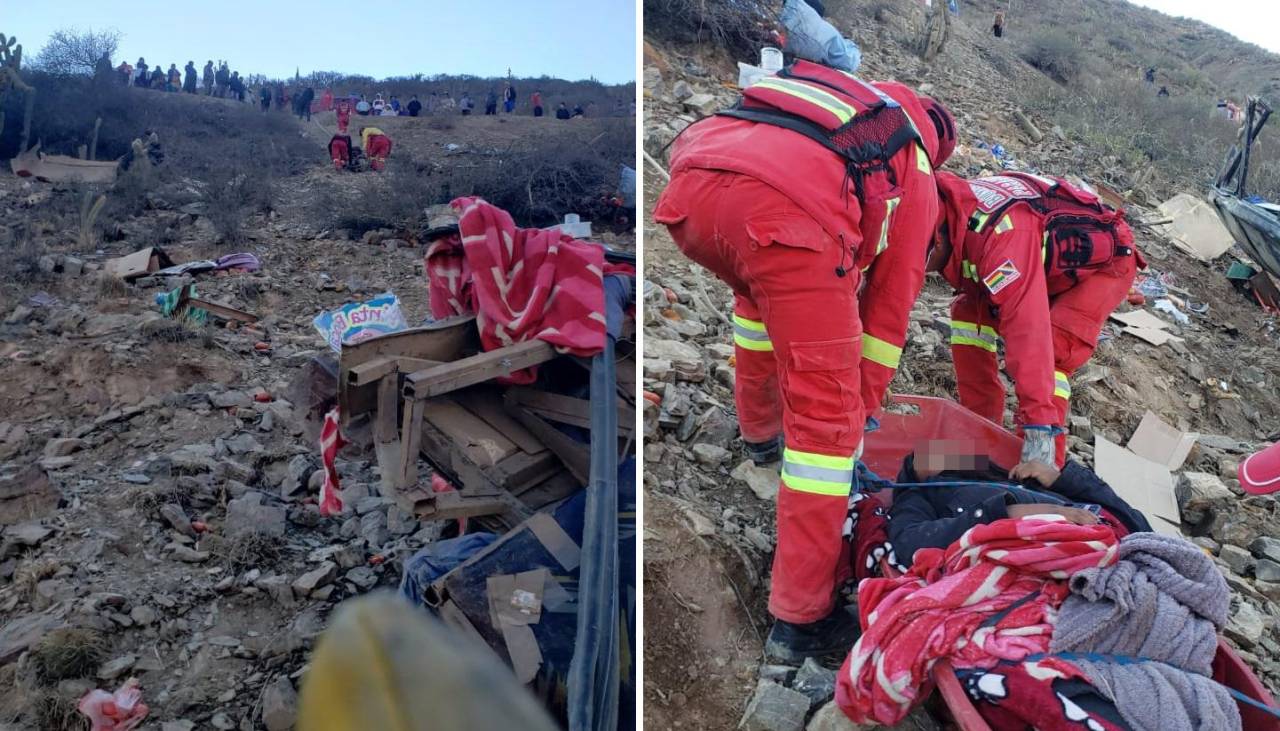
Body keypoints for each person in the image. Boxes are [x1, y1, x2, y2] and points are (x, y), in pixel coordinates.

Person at [653, 22, 957, 661]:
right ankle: (800, 618)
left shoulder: (838, 99)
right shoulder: (915, 161)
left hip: (692, 190)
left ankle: (760, 438)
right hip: (785, 218)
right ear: (938, 140)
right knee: (824, 432)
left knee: (756, 306)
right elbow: (889, 306)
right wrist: (857, 413)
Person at [930, 171, 1143, 468]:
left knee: (1052, 355)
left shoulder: (1003, 237)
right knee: (968, 315)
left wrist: (1037, 427)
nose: (924, 270)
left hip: (1105, 266)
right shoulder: (952, 208)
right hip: (1046, 260)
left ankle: (1043, 467)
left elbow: (1027, 329)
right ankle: (979, 434)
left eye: (924, 260)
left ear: (938, 239)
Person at [886, 450, 1152, 570]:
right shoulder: (916, 497)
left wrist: (1062, 478)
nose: (942, 450)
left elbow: (1129, 516)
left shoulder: (993, 473)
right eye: (930, 455)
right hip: (1082, 554)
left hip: (1130, 543)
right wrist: (1010, 515)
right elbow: (910, 542)